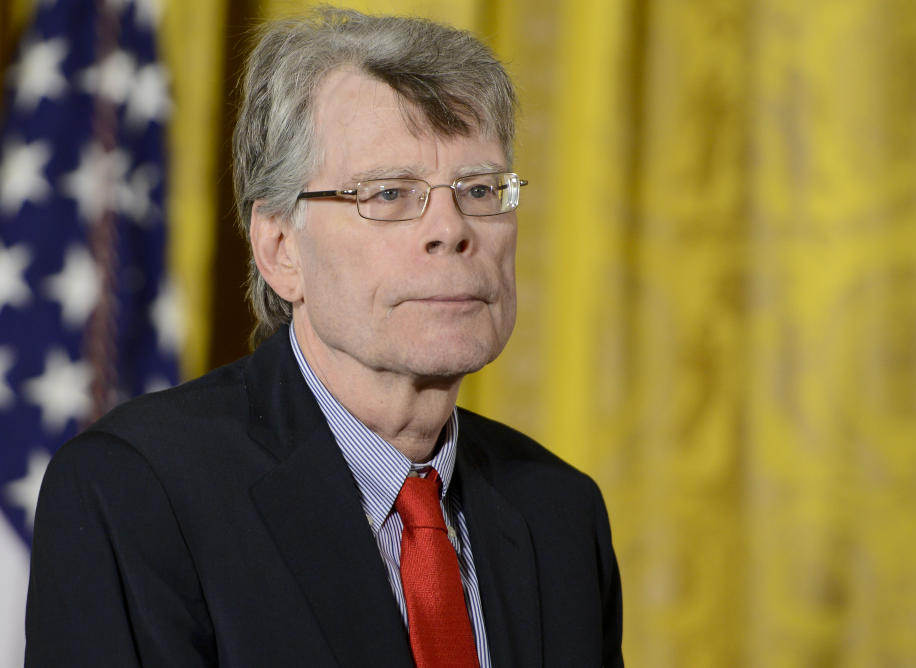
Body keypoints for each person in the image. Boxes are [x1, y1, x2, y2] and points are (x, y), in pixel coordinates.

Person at [25, 7, 623, 667]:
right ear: (280, 249)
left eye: (480, 189)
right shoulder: (136, 493)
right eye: (391, 194)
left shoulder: (560, 511)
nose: (453, 229)